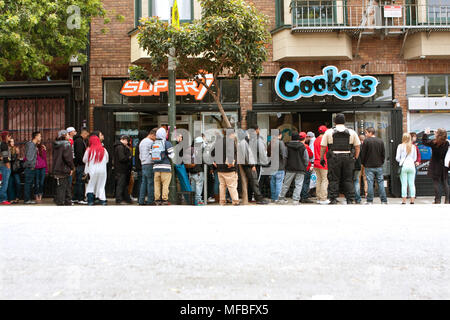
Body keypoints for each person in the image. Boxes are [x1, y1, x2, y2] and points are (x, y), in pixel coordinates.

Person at [320, 113, 361, 205]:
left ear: (334, 122)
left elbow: (323, 147)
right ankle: (350, 199)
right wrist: (355, 158)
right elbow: (357, 146)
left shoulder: (328, 132)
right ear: (344, 122)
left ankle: (333, 198)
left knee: (333, 179)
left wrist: (321, 158)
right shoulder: (352, 132)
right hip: (348, 158)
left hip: (334, 158)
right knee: (348, 179)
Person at [239, 126, 269, 205]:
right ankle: (258, 198)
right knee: (255, 181)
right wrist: (253, 165)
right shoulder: (249, 141)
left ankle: (249, 197)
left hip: (248, 164)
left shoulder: (247, 141)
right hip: (252, 164)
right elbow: (249, 155)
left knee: (252, 181)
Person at [278, 132, 309, 205]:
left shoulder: (287, 145)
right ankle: (295, 200)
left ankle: (281, 198)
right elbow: (306, 159)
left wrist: (285, 166)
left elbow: (285, 157)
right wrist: (304, 166)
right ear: (298, 138)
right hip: (300, 168)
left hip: (290, 168)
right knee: (298, 185)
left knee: (286, 184)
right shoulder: (302, 146)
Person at [360, 127, 388, 205]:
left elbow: (363, 154)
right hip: (379, 165)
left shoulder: (366, 141)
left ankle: (369, 201)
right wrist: (381, 162)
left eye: (366, 133)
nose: (365, 134)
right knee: (380, 183)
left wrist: (363, 163)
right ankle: (384, 200)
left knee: (370, 183)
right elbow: (383, 154)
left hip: (368, 166)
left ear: (370, 133)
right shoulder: (380, 141)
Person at [212, 130, 240, 205]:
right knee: (232, 186)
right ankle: (235, 202)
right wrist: (230, 163)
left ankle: (222, 202)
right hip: (229, 169)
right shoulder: (230, 141)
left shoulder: (218, 142)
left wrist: (214, 162)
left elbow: (212, 153)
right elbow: (230, 152)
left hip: (220, 169)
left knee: (222, 186)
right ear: (232, 134)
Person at [422, 128, 449, 204]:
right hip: (444, 165)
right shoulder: (447, 143)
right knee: (445, 182)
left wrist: (426, 134)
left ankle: (437, 200)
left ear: (438, 134)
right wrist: (436, 133)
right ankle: (447, 200)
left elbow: (424, 142)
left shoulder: (434, 142)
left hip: (435, 165)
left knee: (436, 182)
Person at [83, 135, 109, 205]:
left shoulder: (89, 150)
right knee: (101, 185)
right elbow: (107, 160)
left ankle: (90, 201)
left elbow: (84, 160)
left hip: (92, 170)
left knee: (91, 184)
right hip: (102, 171)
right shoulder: (104, 150)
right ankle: (103, 200)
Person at [153, 127, 175, 205]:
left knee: (157, 185)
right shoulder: (167, 143)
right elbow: (172, 155)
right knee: (165, 184)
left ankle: (157, 200)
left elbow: (151, 154)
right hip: (165, 167)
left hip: (156, 167)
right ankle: (164, 200)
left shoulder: (154, 143)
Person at [53, 130, 75, 206]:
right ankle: (65, 200)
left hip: (57, 168)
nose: (69, 136)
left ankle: (62, 200)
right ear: (65, 135)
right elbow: (68, 158)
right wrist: (72, 167)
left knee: (61, 185)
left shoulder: (56, 145)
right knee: (66, 185)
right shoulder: (66, 145)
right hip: (64, 168)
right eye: (68, 134)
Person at [396, 133, 417, 205]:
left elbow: (397, 158)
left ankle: (404, 201)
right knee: (412, 184)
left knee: (404, 184)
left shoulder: (400, 146)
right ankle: (412, 200)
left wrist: (401, 161)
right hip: (411, 166)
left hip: (404, 166)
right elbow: (415, 158)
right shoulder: (413, 147)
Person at [138, 128, 157, 206]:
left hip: (143, 163)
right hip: (149, 163)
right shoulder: (150, 142)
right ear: (152, 134)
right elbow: (153, 153)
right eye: (155, 137)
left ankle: (141, 200)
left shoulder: (142, 142)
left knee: (144, 183)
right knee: (150, 183)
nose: (156, 139)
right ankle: (150, 200)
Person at [268, 131, 287, 203]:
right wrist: (284, 164)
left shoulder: (271, 143)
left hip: (272, 166)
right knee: (279, 183)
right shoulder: (280, 142)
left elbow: (268, 155)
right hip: (280, 166)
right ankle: (278, 198)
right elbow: (284, 155)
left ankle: (273, 197)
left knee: (273, 182)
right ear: (280, 135)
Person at [114, 135, 133, 204]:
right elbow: (121, 158)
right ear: (123, 139)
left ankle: (125, 198)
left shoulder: (119, 146)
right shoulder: (120, 147)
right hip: (121, 169)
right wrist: (128, 158)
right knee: (120, 184)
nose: (127, 143)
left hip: (121, 169)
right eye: (127, 141)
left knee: (123, 184)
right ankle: (119, 199)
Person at [24, 131, 41, 204]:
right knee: (28, 183)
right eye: (40, 136)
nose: (40, 138)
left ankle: (28, 199)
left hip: (30, 167)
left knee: (29, 183)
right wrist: (31, 166)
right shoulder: (31, 145)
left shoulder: (33, 145)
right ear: (36, 137)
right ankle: (27, 199)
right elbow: (29, 157)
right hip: (30, 167)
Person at [188, 136, 206, 205]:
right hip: (198, 171)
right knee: (199, 187)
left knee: (193, 187)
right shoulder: (199, 150)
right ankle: (198, 201)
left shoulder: (190, 150)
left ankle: (193, 201)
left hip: (191, 172)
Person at [73, 128, 89, 204]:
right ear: (84, 134)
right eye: (86, 135)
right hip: (80, 165)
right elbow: (79, 154)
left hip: (78, 164)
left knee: (78, 182)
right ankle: (80, 198)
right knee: (80, 182)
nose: (87, 137)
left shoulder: (78, 140)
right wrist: (83, 162)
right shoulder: (80, 141)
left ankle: (75, 197)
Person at [314, 126, 329, 205]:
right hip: (323, 162)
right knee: (325, 180)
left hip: (316, 162)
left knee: (318, 180)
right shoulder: (324, 140)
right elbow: (326, 151)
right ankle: (323, 198)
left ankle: (318, 197)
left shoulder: (316, 140)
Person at [300, 132, 314, 203]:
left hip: (298, 167)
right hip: (306, 167)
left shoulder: (295, 145)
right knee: (305, 182)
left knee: (299, 182)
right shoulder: (305, 146)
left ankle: (299, 196)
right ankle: (304, 197)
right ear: (305, 138)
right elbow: (311, 155)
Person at [7, 138, 22, 204]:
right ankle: (11, 198)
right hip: (9, 169)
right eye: (11, 141)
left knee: (18, 183)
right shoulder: (7, 149)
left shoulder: (16, 149)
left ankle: (17, 197)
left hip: (15, 169)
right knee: (10, 184)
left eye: (13, 141)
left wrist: (17, 153)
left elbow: (17, 158)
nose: (12, 143)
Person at [0, 131, 12, 205]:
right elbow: (5, 157)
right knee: (5, 183)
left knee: (2, 183)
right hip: (4, 167)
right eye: (9, 136)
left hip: (1, 166)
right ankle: (3, 199)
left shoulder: (2, 144)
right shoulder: (4, 144)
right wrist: (8, 166)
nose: (10, 138)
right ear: (6, 137)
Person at [358, 134, 368, 198]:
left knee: (358, 179)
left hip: (359, 163)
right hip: (365, 164)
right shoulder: (367, 145)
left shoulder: (357, 145)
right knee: (365, 179)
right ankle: (366, 193)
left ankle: (358, 193)